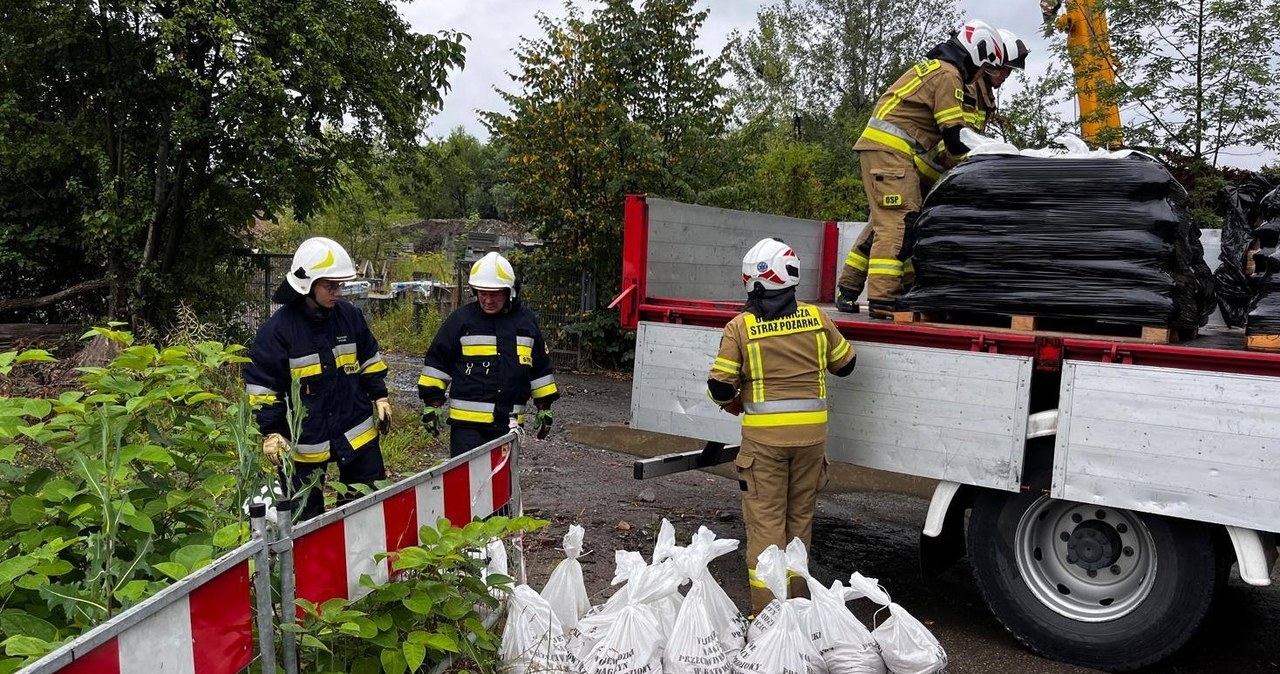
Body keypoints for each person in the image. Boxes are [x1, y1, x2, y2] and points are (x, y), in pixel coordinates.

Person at [707, 238, 857, 614]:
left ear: (752, 281)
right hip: (811, 443)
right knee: (799, 523)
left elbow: (720, 386)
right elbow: (847, 363)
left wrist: (731, 401)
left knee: (766, 528)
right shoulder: (817, 318)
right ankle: (798, 611)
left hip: (764, 447)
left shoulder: (740, 327)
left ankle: (769, 617)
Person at [836, 19, 1004, 317]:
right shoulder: (948, 76)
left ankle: (851, 288)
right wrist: (990, 155)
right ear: (976, 54)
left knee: (886, 222)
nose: (979, 75)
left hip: (887, 152)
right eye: (983, 68)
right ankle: (884, 300)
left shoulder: (938, 69)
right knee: (899, 222)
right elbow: (954, 138)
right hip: (891, 153)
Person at [243, 237, 392, 521]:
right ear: (306, 285)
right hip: (303, 443)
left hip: (355, 431)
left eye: (341, 285)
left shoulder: (350, 317)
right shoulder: (277, 332)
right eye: (330, 286)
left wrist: (379, 395)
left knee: (368, 507)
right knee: (305, 520)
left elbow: (369, 358)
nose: (338, 292)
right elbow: (262, 387)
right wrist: (271, 432)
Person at [418, 251, 559, 457]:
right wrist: (433, 402)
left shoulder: (526, 323)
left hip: (508, 425)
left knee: (502, 486)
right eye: (482, 293)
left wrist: (544, 406)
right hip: (467, 427)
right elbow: (438, 362)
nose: (487, 300)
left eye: (494, 294)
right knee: (467, 485)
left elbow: (539, 369)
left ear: (509, 292)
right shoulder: (461, 321)